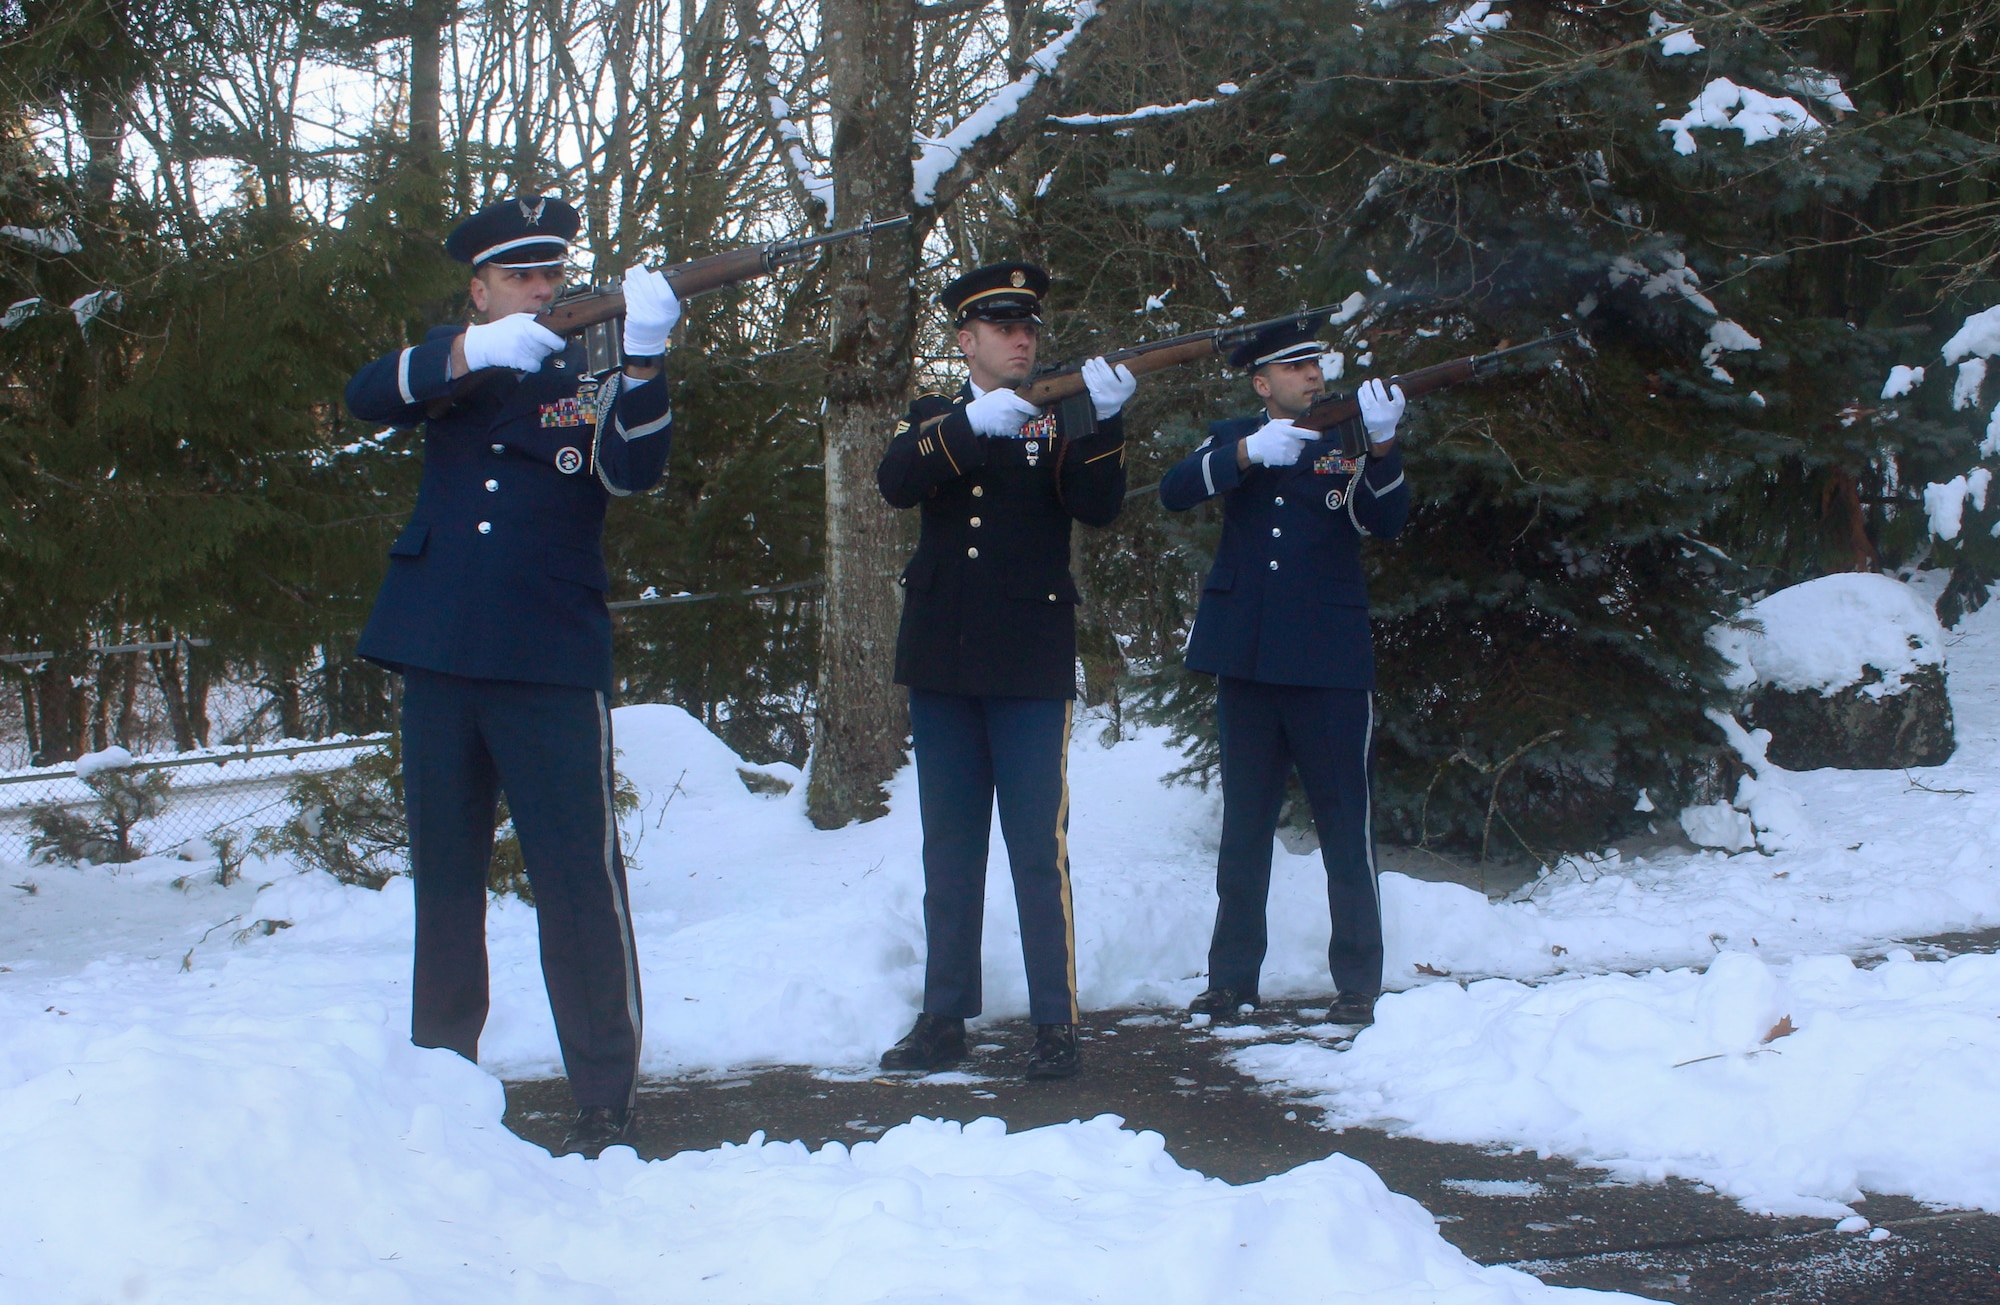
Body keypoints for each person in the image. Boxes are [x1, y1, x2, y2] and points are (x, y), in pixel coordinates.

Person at [344, 196, 680, 1156]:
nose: (542, 290)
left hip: (548, 657)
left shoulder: (588, 378)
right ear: (480, 288)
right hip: (441, 653)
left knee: (577, 881)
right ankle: (441, 1082)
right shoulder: (457, 369)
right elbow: (369, 393)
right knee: (444, 881)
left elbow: (636, 468)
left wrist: (646, 360)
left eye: (551, 275)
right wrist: (467, 353)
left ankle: (604, 1096)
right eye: (521, 276)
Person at [873, 262, 1136, 1079]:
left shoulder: (1064, 417)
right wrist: (972, 424)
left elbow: (1097, 506)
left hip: (1028, 659)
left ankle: (1056, 1024)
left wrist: (1107, 424)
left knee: (1035, 848)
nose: (1023, 338)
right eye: (1002, 326)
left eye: (1029, 326)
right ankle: (942, 1015)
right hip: (945, 658)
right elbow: (895, 480)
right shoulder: (935, 417)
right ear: (966, 339)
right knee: (949, 849)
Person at [1158, 312, 1411, 1026]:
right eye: (1295, 368)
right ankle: (1231, 980)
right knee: (1244, 830)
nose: (1312, 375)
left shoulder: (1349, 438)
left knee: (1344, 826)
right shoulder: (1238, 437)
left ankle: (1358, 981)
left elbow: (1386, 520)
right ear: (1263, 383)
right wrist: (1244, 455)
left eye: (1315, 365)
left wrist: (1384, 445)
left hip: (1327, 662)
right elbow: (1175, 490)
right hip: (1246, 660)